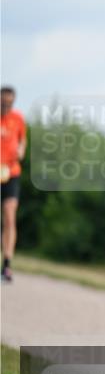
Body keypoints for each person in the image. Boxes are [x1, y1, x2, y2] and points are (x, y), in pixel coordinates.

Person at [1, 86, 27, 284]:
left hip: (11, 173)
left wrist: (21, 150)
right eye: (3, 103)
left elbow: (22, 141)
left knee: (10, 216)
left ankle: (7, 264)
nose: (6, 106)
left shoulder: (18, 118)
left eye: (9, 103)